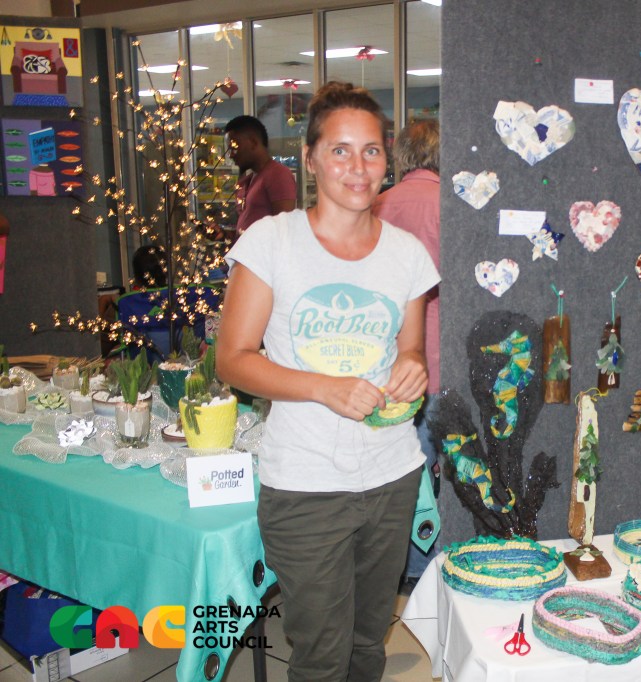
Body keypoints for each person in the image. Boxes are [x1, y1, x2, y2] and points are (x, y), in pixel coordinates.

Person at [217, 82, 439, 682]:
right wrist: (324, 387)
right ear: (310, 157)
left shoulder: (406, 253)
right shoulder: (272, 241)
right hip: (305, 483)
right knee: (320, 655)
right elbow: (232, 360)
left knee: (368, 644)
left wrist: (411, 368)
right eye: (340, 150)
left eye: (371, 151)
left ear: (387, 159)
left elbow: (410, 349)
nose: (358, 167)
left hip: (392, 475)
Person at [371, 119, 440, 590]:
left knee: (407, 472)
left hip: (389, 365)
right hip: (445, 356)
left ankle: (409, 569)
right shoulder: (453, 206)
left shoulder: (378, 206)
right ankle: (440, 566)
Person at [223, 115, 297, 238]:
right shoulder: (250, 179)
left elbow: (283, 231)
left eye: (235, 148)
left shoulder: (277, 175)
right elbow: (247, 232)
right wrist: (225, 235)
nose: (231, 155)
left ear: (253, 142)